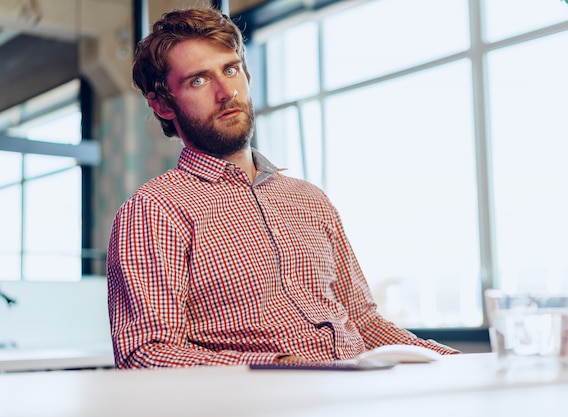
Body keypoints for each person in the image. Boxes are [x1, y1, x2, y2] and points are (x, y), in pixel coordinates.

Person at [106, 6, 459, 369]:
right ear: (164, 105)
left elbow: (365, 323)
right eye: (199, 80)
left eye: (231, 69)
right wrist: (280, 367)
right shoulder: (154, 210)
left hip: (357, 393)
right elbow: (146, 352)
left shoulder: (310, 199)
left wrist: (456, 362)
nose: (226, 92)